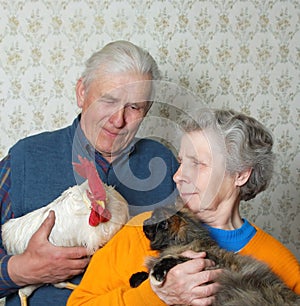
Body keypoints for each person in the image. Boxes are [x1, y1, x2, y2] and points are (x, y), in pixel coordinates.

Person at [0, 41, 179, 305]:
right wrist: (20, 270)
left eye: (134, 107)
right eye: (109, 100)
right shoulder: (26, 157)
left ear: (147, 111)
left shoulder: (163, 163)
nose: (118, 120)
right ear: (82, 92)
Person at [68, 108, 300, 305]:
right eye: (181, 162)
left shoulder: (280, 262)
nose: (178, 176)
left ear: (240, 175)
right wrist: (154, 294)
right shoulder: (143, 230)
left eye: (197, 163)